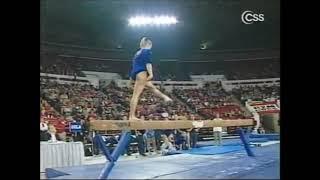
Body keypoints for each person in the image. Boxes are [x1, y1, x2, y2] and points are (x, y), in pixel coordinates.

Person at [129, 37, 172, 121]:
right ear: (149, 44)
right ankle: (131, 116)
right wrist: (151, 73)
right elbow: (148, 63)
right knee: (135, 95)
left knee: (152, 88)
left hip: (136, 73)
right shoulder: (147, 51)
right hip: (142, 73)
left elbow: (134, 66)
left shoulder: (137, 53)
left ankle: (165, 98)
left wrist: (131, 78)